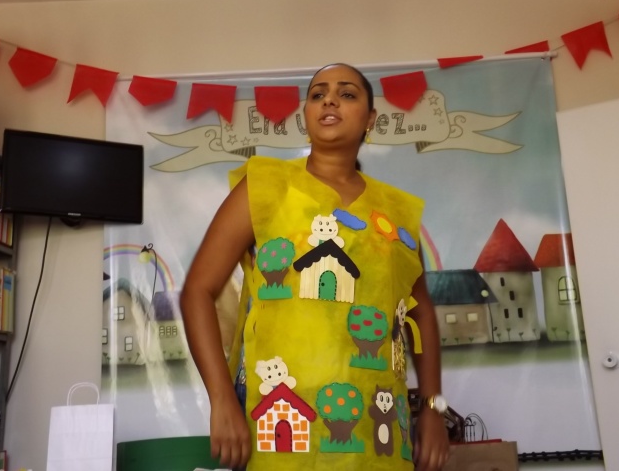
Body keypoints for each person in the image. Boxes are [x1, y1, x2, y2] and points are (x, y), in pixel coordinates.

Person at [180, 63, 449, 471]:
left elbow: (420, 310)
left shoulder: (397, 212)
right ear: (306, 114)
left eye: (347, 94)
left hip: (376, 432)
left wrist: (432, 408)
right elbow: (197, 291)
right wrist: (221, 399)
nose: (330, 100)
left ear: (370, 119)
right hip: (280, 422)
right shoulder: (265, 185)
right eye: (318, 94)